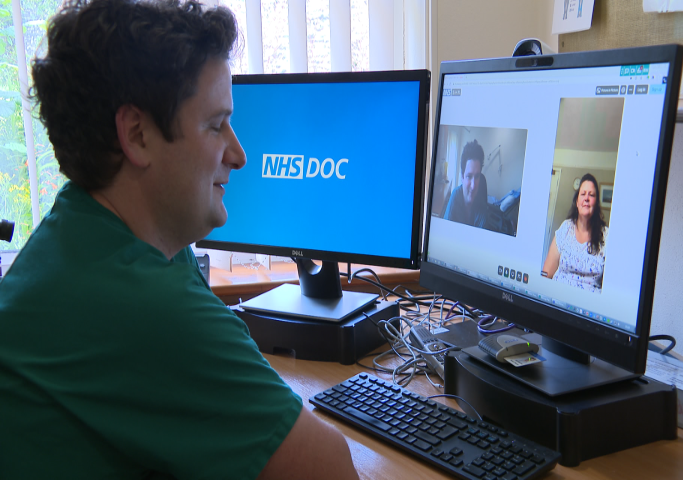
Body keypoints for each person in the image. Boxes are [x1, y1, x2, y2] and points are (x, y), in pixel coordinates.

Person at [0, 1, 358, 479]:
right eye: (215, 125)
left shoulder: (78, 232)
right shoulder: (140, 303)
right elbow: (331, 470)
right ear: (136, 134)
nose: (239, 154)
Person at [542, 173, 608, 293]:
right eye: (583, 194)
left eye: (591, 195)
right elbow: (546, 273)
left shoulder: (607, 236)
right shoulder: (565, 228)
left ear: (596, 203)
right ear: (577, 202)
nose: (586, 198)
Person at [443, 139, 488, 227]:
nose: (473, 186)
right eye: (469, 176)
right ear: (462, 177)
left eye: (477, 176)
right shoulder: (455, 196)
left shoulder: (482, 203)